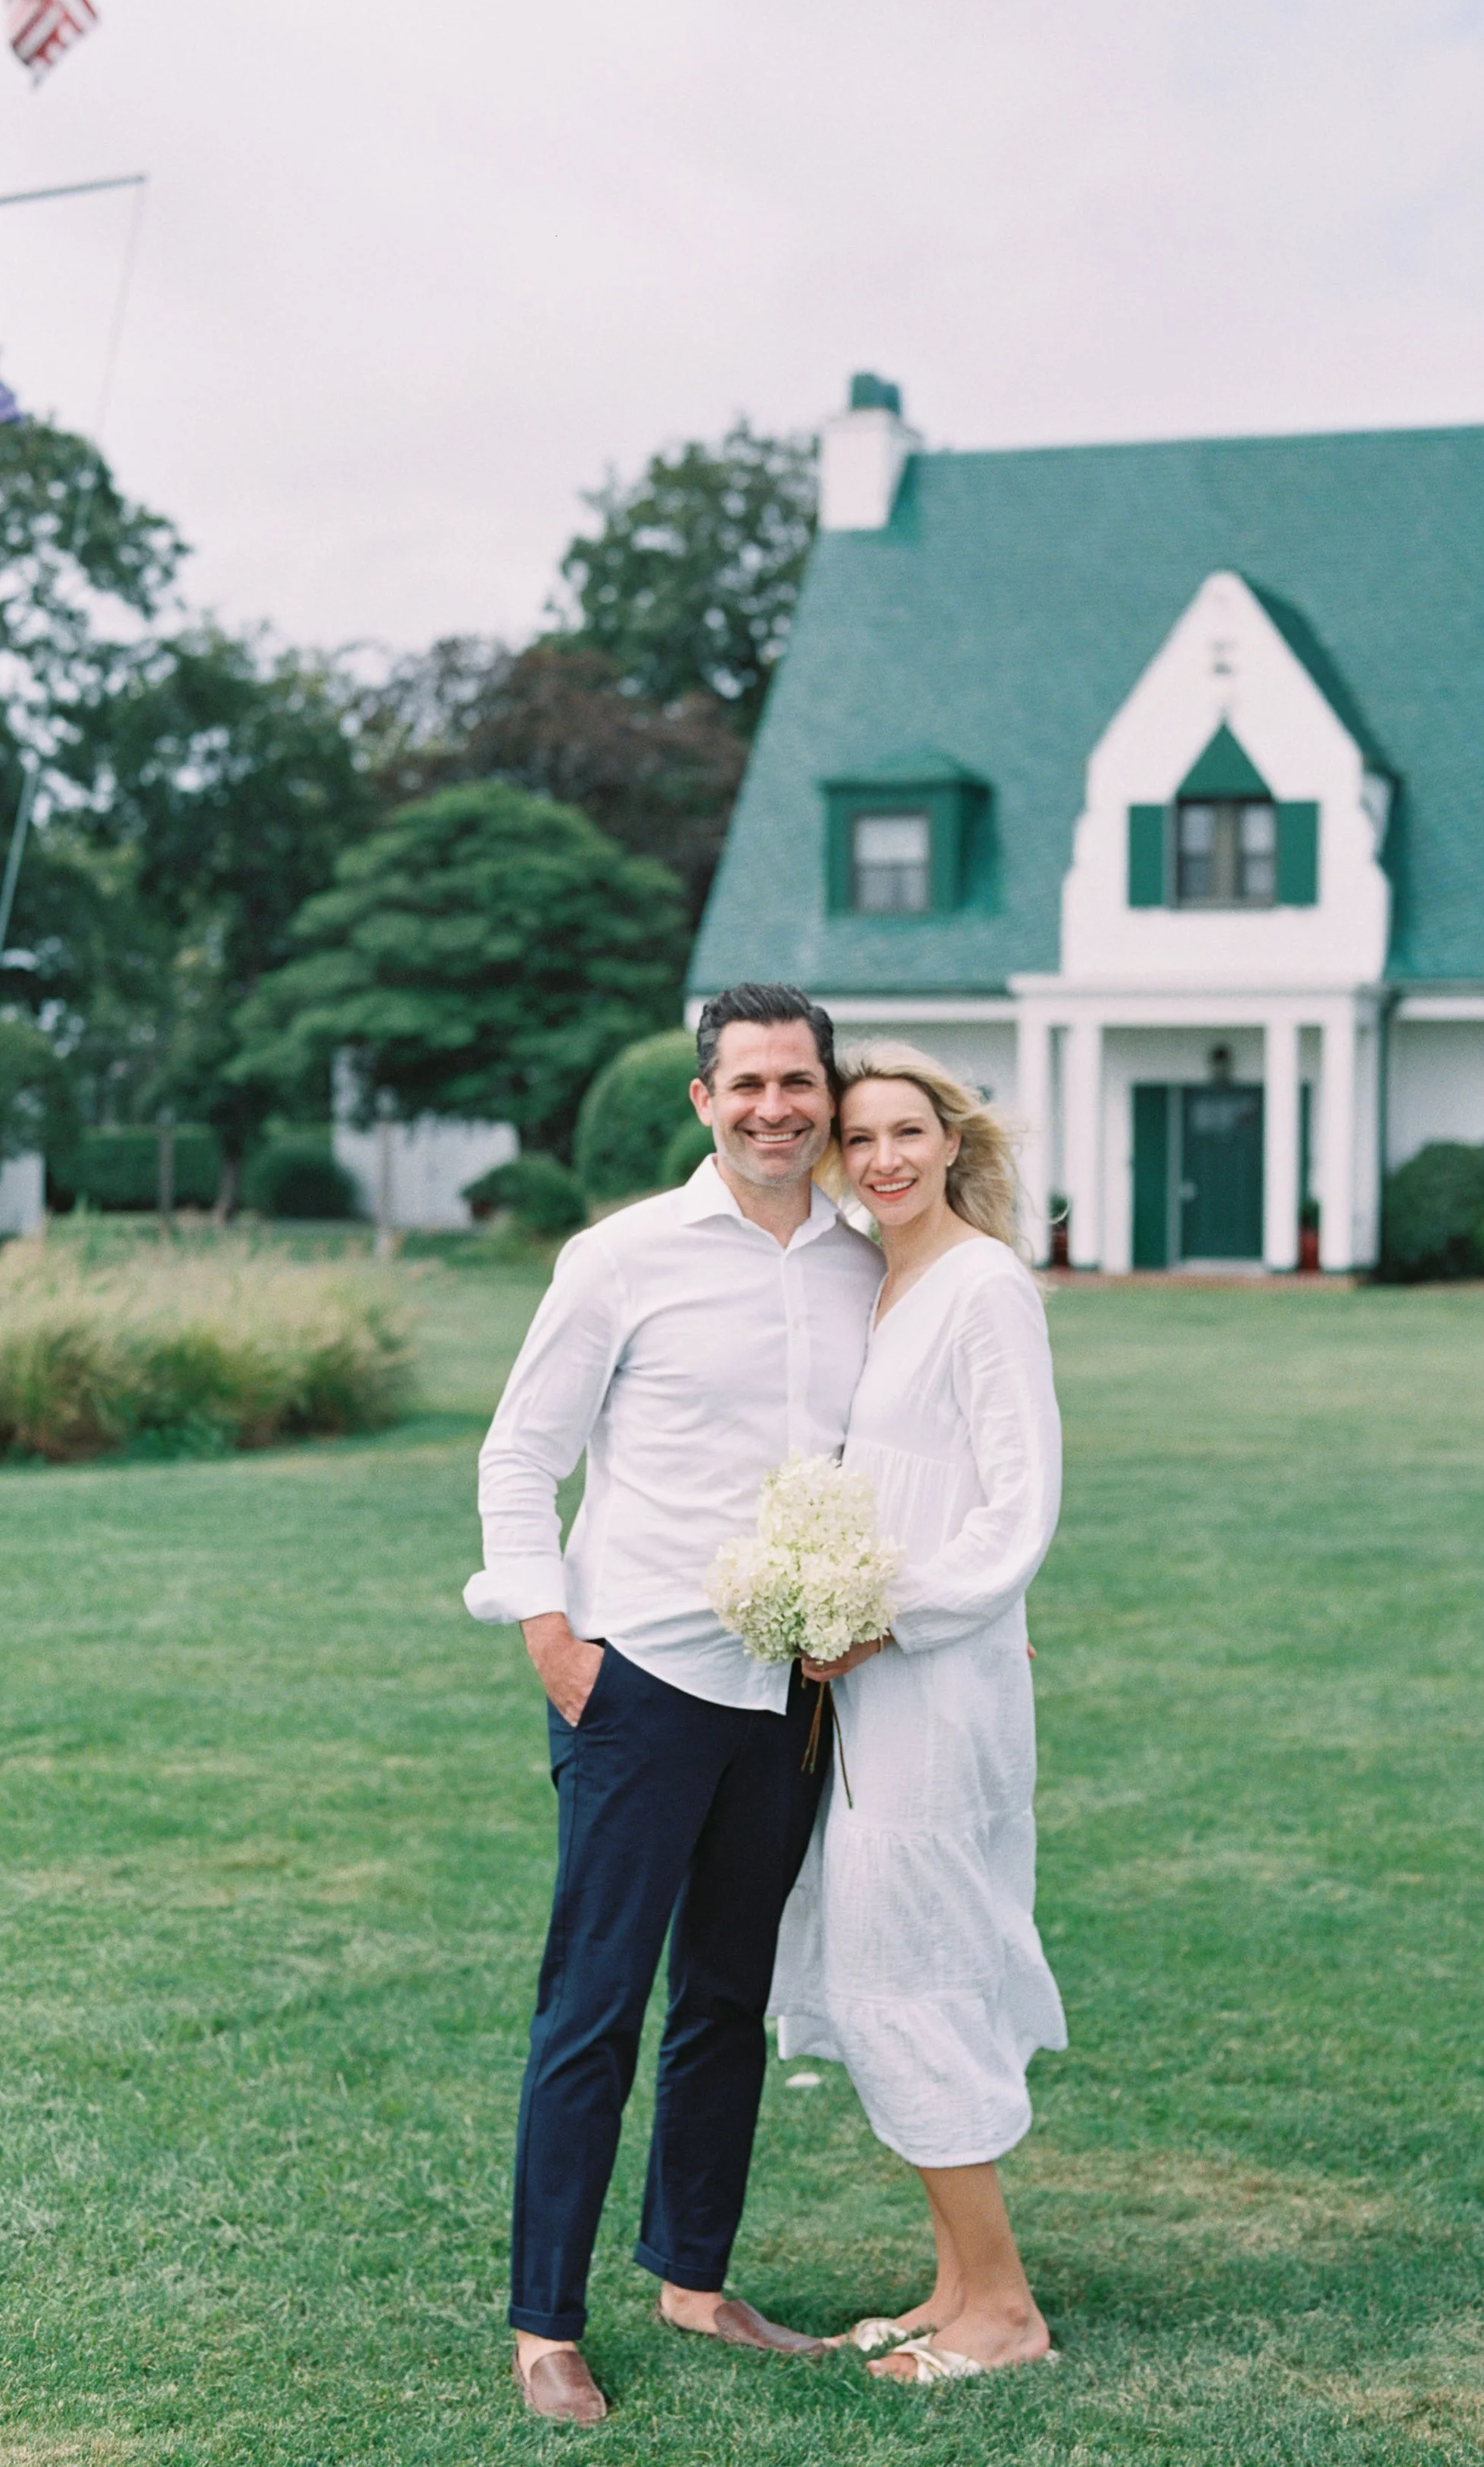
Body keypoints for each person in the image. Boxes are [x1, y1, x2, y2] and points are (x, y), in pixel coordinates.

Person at [464, 983, 885, 2424]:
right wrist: (553, 1637)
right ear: (703, 1101)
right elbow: (521, 1455)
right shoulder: (621, 1259)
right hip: (636, 1679)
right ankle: (545, 2323)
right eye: (749, 1083)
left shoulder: (864, 1263)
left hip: (790, 1694)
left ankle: (695, 2281)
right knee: (594, 2000)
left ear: (830, 1097)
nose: (779, 1108)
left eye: (801, 1084)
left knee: (727, 1997)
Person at [771, 1039, 1067, 2384]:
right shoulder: (882, 1285)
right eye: (860, 1138)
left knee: (911, 1970)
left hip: (939, 1685)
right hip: (871, 1687)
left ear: (953, 1141)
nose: (882, 1158)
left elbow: (1019, 1511)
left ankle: (1003, 2314)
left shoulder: (984, 1288)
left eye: (906, 1132)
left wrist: (891, 1614)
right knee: (888, 1958)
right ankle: (955, 2288)